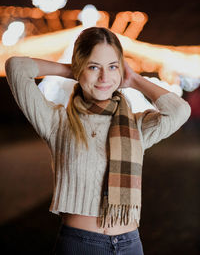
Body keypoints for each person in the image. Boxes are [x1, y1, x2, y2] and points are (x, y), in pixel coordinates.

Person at [5, 27, 191, 255]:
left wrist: (133, 79)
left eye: (113, 67)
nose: (105, 78)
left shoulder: (136, 125)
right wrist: (72, 70)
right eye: (94, 67)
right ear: (79, 67)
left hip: (130, 244)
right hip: (80, 245)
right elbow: (16, 67)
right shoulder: (56, 122)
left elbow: (180, 111)